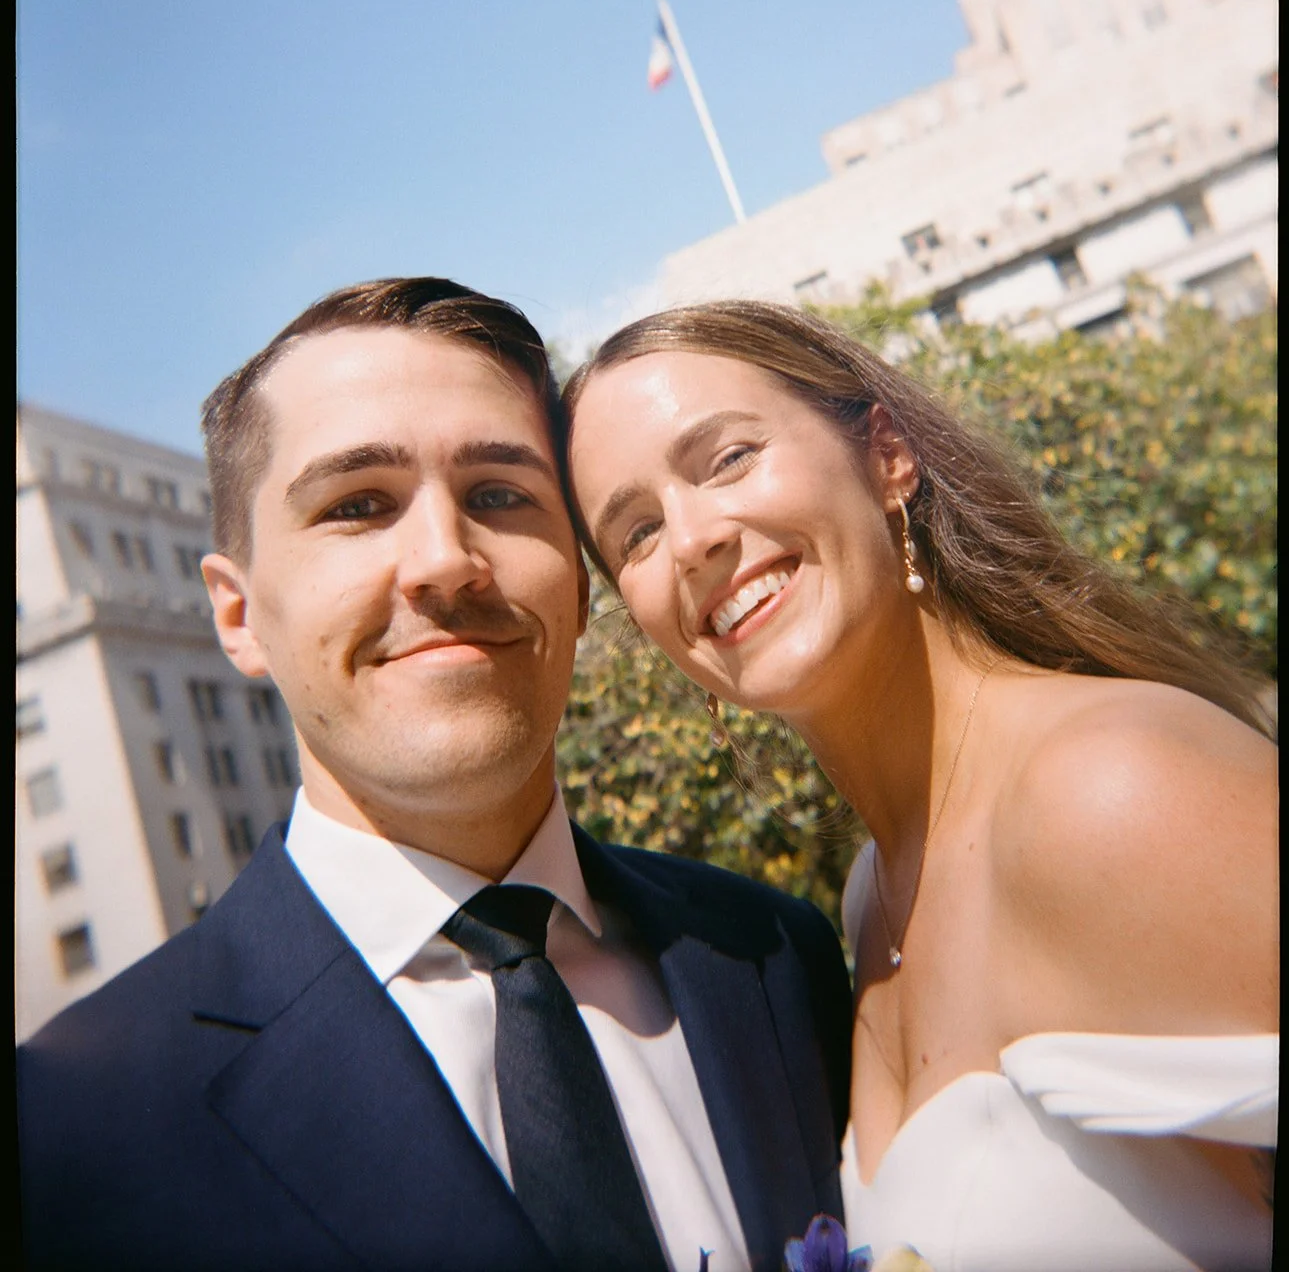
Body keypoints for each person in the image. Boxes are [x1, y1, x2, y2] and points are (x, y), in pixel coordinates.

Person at [17, 278, 853, 1272]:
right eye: (356, 504)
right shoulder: (69, 1130)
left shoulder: (772, 956)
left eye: (499, 495)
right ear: (237, 615)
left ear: (579, 588)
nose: (444, 562)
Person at [565, 298, 1278, 1272]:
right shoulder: (868, 902)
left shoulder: (1105, 788)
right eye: (636, 530)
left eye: (727, 457)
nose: (689, 539)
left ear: (886, 453)